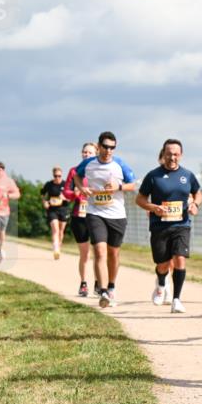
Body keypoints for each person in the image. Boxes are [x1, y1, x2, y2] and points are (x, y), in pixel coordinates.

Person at [136, 139, 202, 314]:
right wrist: (153, 208)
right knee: (163, 264)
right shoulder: (153, 176)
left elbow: (198, 193)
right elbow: (140, 199)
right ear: (163, 154)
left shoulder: (187, 175)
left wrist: (195, 204)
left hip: (182, 224)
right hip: (160, 226)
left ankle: (176, 299)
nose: (172, 157)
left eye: (175, 154)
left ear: (181, 155)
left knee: (180, 259)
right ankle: (160, 284)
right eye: (169, 154)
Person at [74, 131, 136, 308]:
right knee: (100, 251)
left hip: (117, 214)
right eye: (106, 147)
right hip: (95, 213)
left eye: (112, 148)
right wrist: (82, 188)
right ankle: (102, 292)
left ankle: (111, 286)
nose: (109, 150)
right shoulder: (88, 163)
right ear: (99, 146)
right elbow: (76, 175)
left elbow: (133, 185)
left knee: (113, 253)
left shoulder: (120, 164)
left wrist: (118, 186)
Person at [63, 143, 98, 297]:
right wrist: (75, 193)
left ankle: (98, 282)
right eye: (84, 152)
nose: (86, 154)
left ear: (96, 154)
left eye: (90, 152)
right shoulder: (74, 171)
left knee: (99, 251)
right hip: (79, 216)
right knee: (84, 253)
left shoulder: (100, 170)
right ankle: (83, 284)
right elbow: (66, 192)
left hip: (97, 214)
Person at [41, 166, 70, 260]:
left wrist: (65, 198)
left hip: (63, 209)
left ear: (62, 175)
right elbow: (42, 194)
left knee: (61, 231)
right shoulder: (49, 184)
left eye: (59, 176)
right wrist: (45, 202)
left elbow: (71, 197)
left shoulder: (66, 184)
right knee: (55, 229)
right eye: (55, 176)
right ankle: (56, 249)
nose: (57, 178)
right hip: (52, 210)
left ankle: (59, 248)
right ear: (53, 175)